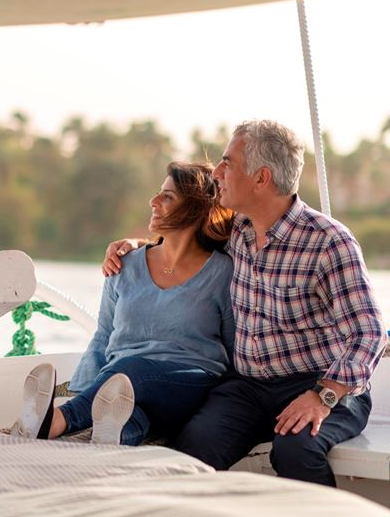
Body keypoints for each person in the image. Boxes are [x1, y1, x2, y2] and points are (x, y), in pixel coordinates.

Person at [103, 120, 386, 486]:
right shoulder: (235, 230)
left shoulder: (329, 241)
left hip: (322, 385)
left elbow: (369, 333)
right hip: (247, 388)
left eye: (227, 163)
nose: (217, 173)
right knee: (191, 450)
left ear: (260, 179)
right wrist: (133, 245)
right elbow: (180, 243)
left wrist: (322, 396)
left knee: (295, 450)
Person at [11, 161, 236, 446]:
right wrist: (80, 389)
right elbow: (104, 334)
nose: (153, 201)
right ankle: (114, 438)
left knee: (133, 373)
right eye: (158, 192)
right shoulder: (125, 264)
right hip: (119, 386)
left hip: (189, 385)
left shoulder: (222, 272)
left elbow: (234, 348)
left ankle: (55, 420)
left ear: (195, 209)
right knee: (125, 416)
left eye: (168, 196)